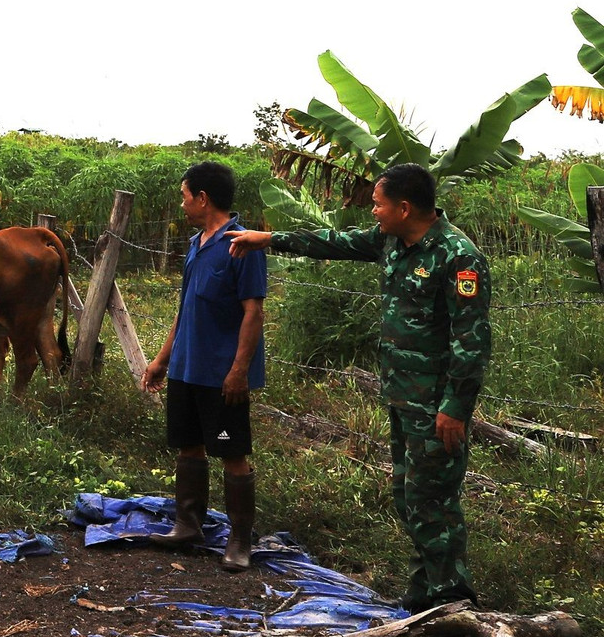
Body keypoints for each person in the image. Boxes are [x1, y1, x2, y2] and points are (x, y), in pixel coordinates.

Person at [227, 163, 487, 611]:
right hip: (402, 397)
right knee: (408, 496)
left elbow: (473, 339)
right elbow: (333, 242)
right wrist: (268, 240)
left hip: (436, 406)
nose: (374, 213)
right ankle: (424, 592)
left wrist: (456, 406)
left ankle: (452, 604)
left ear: (404, 208)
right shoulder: (392, 241)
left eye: (378, 204)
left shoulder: (456, 255)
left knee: (434, 503)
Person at [141, 161, 266, 571]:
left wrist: (238, 370)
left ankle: (240, 540)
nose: (182, 205)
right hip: (186, 368)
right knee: (188, 445)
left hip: (220, 374)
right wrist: (163, 359)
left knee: (232, 451)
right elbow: (185, 307)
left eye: (184, 196)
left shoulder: (241, 245)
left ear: (203, 198)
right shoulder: (196, 244)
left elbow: (253, 313)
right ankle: (188, 524)